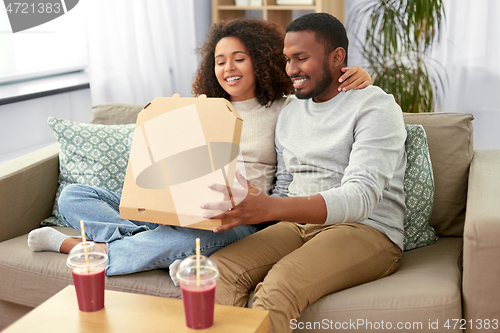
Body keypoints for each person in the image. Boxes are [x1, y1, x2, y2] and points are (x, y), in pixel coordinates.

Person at [27, 17, 372, 280]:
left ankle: (83, 248)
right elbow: (164, 167)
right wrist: (157, 123)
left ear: (263, 60)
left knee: (186, 238)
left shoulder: (286, 109)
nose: (228, 68)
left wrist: (356, 75)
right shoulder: (200, 107)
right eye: (220, 61)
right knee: (74, 194)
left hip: (236, 218)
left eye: (239, 58)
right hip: (176, 205)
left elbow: (324, 95)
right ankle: (146, 239)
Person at [202, 13, 406, 333]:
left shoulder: (376, 108)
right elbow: (286, 183)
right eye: (287, 59)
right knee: (214, 272)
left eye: (301, 58)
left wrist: (270, 207)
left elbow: (361, 197)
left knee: (277, 288)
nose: (291, 69)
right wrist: (248, 207)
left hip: (365, 229)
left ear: (337, 57)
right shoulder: (291, 111)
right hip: (296, 224)